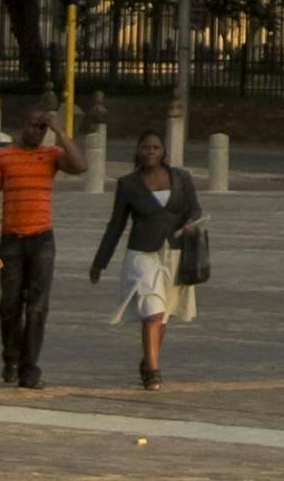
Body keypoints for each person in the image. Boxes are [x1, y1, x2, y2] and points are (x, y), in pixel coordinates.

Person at [89, 129, 207, 391]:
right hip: (142, 254)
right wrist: (100, 262)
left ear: (163, 151)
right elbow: (116, 225)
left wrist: (190, 223)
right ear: (138, 151)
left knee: (162, 317)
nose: (150, 152)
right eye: (145, 147)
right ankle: (154, 372)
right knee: (152, 312)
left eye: (155, 148)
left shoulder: (182, 178)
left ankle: (148, 358)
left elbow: (195, 208)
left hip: (174, 253)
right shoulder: (128, 184)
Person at [0, 104, 77, 389]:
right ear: (22, 124)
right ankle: (11, 356)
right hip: (10, 242)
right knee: (9, 304)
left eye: (42, 128)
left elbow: (81, 165)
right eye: (34, 125)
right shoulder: (3, 156)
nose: (37, 132)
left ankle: (29, 368)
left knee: (37, 307)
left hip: (42, 241)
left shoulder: (51, 155)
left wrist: (59, 130)